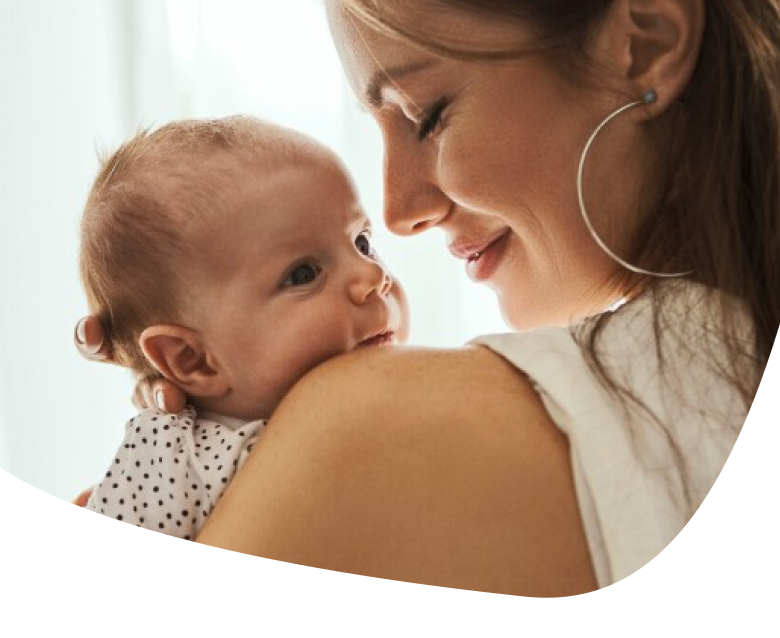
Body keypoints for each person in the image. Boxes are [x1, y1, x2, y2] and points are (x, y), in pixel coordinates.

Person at [75, 0, 775, 595]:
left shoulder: (360, 425)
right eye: (302, 272)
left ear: (645, 44)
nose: (397, 212)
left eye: (427, 115)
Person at [77, 114, 409, 539]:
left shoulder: (391, 406)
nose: (372, 277)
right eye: (303, 273)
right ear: (192, 359)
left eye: (362, 243)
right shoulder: (173, 463)